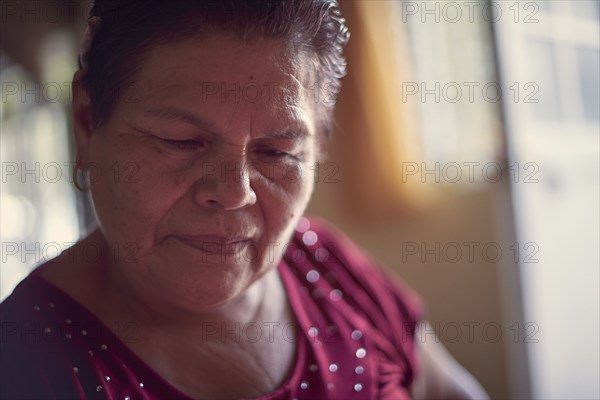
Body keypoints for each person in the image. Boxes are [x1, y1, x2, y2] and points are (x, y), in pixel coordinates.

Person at [0, 1, 489, 399]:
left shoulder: (325, 263)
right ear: (86, 123)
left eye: (277, 152)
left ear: (318, 144)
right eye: (180, 141)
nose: (235, 192)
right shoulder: (25, 363)